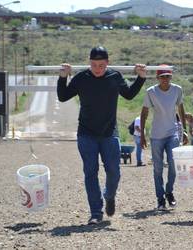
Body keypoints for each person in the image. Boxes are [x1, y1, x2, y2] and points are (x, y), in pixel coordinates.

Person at [57, 46, 146, 225]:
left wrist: (141, 78)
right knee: (90, 173)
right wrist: (63, 77)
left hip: (109, 133)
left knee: (114, 172)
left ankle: (109, 195)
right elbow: (63, 96)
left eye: (101, 65)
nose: (98, 68)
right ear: (89, 62)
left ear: (107, 63)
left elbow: (128, 95)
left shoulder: (115, 77)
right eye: (94, 64)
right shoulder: (81, 78)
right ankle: (96, 212)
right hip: (86, 134)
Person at [140, 65, 188, 211]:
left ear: (171, 77)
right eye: (162, 77)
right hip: (156, 135)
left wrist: (184, 130)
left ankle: (169, 192)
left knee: (174, 165)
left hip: (172, 132)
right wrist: (142, 134)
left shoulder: (177, 90)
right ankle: (160, 199)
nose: (165, 79)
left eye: (167, 76)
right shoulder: (151, 92)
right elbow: (144, 112)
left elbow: (180, 109)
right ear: (157, 78)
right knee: (158, 169)